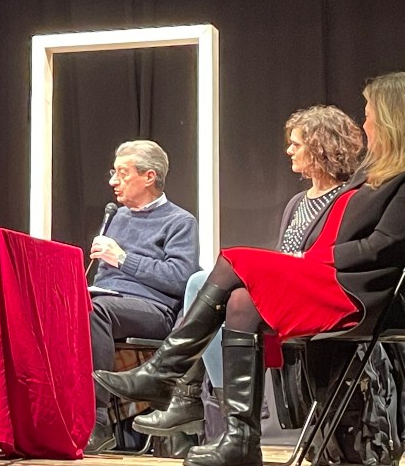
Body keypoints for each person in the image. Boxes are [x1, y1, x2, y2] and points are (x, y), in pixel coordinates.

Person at [95, 72, 405, 466]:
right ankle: (240, 439)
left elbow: (384, 247)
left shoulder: (400, 180)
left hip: (352, 292)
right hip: (326, 277)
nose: (366, 123)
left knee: (234, 258)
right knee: (240, 300)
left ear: (391, 119)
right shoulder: (370, 176)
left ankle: (165, 374)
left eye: (370, 114)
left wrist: (315, 260)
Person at [133, 106, 364, 439]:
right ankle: (212, 405)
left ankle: (196, 399)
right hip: (289, 287)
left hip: (315, 297)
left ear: (320, 147)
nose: (289, 151)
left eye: (296, 144)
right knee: (204, 286)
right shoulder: (298, 201)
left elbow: (332, 260)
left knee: (210, 283)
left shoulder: (348, 199)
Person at [85, 139, 200, 454]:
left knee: (93, 311)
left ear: (149, 176)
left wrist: (123, 259)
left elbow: (181, 279)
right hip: (109, 302)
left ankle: (97, 422)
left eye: (122, 173)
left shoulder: (180, 221)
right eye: (113, 173)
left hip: (155, 311)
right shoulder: (117, 217)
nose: (113, 181)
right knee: (63, 307)